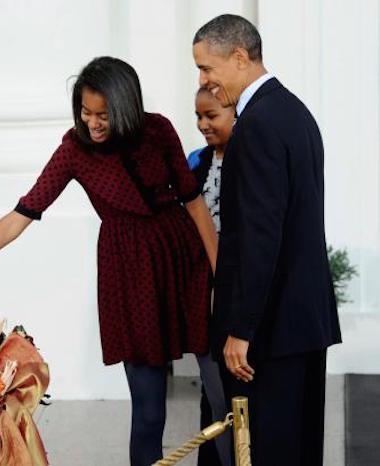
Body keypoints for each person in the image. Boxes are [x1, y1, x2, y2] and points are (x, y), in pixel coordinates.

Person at [0, 56, 218, 466]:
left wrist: (219, 274)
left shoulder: (157, 129)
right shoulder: (74, 150)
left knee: (221, 394)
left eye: (103, 115)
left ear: (127, 108)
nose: (93, 124)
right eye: (86, 113)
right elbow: (20, 217)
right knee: (148, 411)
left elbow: (193, 203)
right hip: (130, 275)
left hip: (185, 261)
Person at [192, 14, 341, 465]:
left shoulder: (255, 125)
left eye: (207, 68)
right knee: (299, 449)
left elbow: (260, 236)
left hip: (269, 336)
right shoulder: (294, 111)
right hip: (303, 323)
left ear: (240, 57)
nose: (204, 81)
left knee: (266, 452)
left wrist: (241, 329)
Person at [188, 87, 236, 466]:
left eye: (212, 116)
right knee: (213, 389)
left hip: (238, 283)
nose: (204, 125)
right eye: (198, 117)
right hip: (202, 284)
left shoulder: (250, 160)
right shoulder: (196, 162)